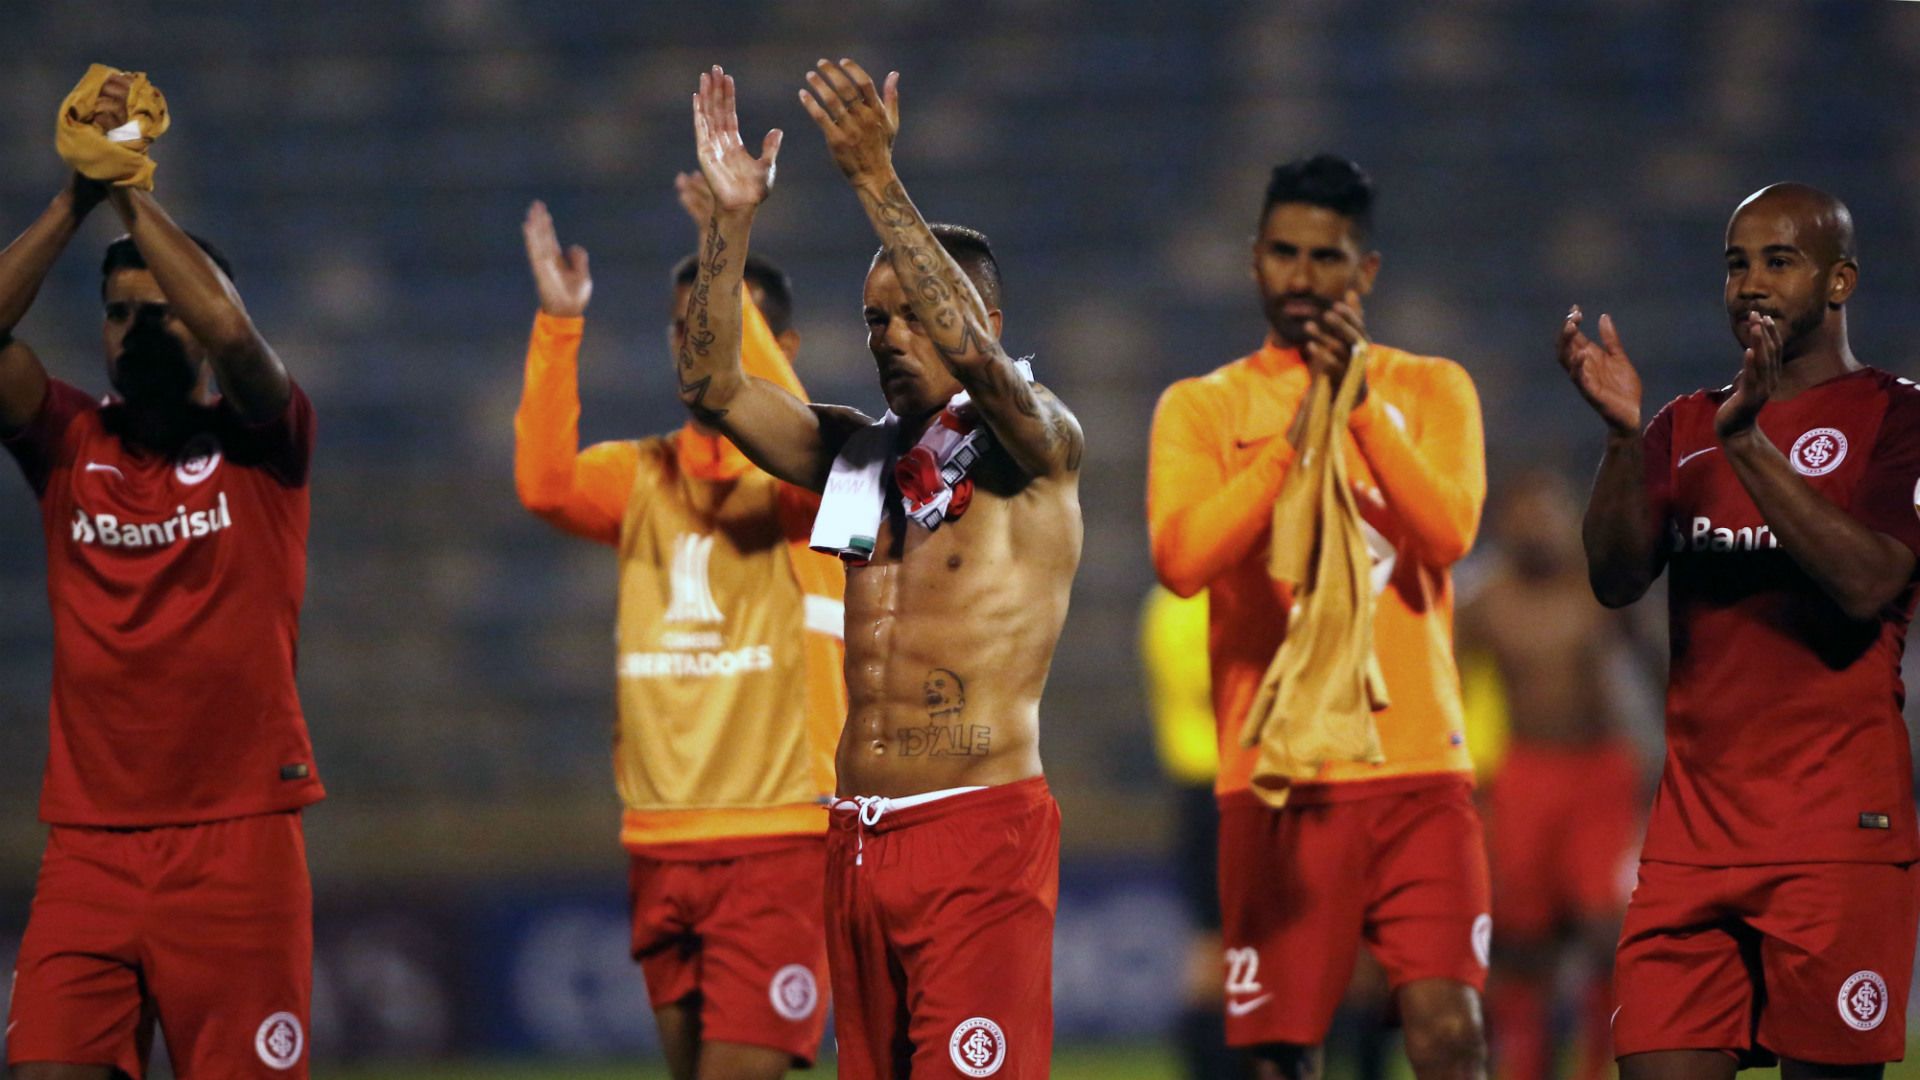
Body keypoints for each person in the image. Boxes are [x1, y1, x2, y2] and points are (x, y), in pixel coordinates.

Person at [674, 62, 1083, 1079]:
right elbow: (713, 385)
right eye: (872, 321)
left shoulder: (1036, 448)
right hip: (856, 843)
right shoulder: (859, 457)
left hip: (975, 836)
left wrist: (873, 178)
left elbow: (981, 368)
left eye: (910, 314)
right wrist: (728, 225)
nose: (889, 338)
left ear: (975, 315)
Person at [1560, 182, 1920, 1078]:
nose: (1751, 282)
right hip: (1694, 841)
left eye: (1779, 261)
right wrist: (1617, 440)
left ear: (1839, 282)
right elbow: (1613, 579)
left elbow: (1868, 581)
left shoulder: (1900, 417)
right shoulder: (1682, 426)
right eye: (1736, 264)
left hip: (1837, 835)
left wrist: (1750, 445)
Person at [2, 70, 322, 1078]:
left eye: (161, 308)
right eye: (119, 311)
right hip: (89, 847)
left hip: (238, 846)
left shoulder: (266, 440)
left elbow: (230, 334)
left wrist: (132, 184)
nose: (141, 327)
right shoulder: (65, 440)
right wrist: (76, 196)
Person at [1148, 154, 1490, 1080]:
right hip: (1275, 782)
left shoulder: (1432, 390)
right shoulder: (1202, 407)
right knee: (1278, 1056)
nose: (1303, 278)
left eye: (1327, 258)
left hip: (1418, 773)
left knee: (1452, 1034)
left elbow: (1448, 532)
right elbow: (1181, 561)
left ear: (1365, 272)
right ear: (1254, 259)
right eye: (1285, 254)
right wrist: (1290, 446)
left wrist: (1363, 409)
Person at [512, 173, 844, 1079]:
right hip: (660, 838)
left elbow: (802, 434)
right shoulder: (642, 476)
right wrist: (559, 324)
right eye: (682, 325)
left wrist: (723, 254)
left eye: (720, 319)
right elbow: (542, 483)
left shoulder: (806, 490)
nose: (696, 338)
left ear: (779, 345)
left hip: (778, 838)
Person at [1456, 469, 1645, 1080]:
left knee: (1606, 934)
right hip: (1524, 778)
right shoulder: (1485, 605)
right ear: (1505, 523)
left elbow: (1661, 668)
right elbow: (1446, 693)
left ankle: (1598, 1068)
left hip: (1600, 775)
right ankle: (1527, 1067)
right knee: (1521, 943)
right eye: (1525, 514)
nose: (1537, 526)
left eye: (1548, 512)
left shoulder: (1600, 591)